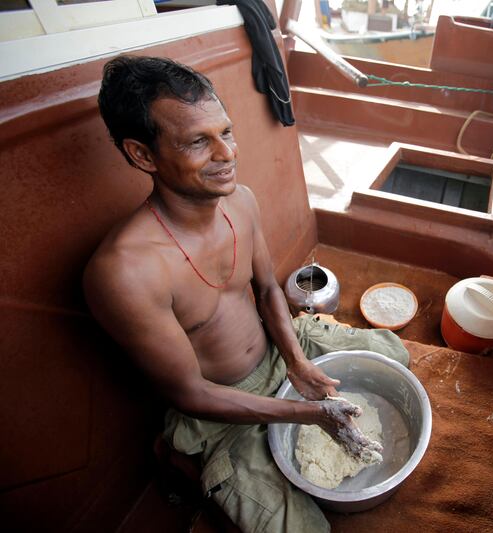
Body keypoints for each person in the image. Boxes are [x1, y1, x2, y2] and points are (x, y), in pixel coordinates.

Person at [83, 56, 409, 533]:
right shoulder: (125, 272)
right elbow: (190, 393)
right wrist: (312, 415)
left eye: (226, 133)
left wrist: (296, 361)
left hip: (281, 353)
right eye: (198, 141)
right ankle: (191, 468)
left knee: (396, 354)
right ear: (143, 156)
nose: (227, 154)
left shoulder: (241, 200)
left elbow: (268, 292)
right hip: (221, 409)